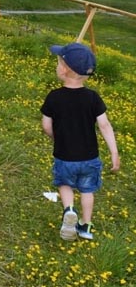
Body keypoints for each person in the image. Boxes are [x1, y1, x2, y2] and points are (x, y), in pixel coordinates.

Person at [41, 42, 120, 241]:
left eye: (58, 63)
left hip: (65, 156)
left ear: (64, 70)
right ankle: (85, 226)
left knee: (64, 184)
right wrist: (114, 152)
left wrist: (56, 137)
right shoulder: (93, 98)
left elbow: (46, 126)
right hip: (90, 158)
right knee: (87, 190)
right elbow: (104, 125)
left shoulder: (54, 97)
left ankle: (69, 210)